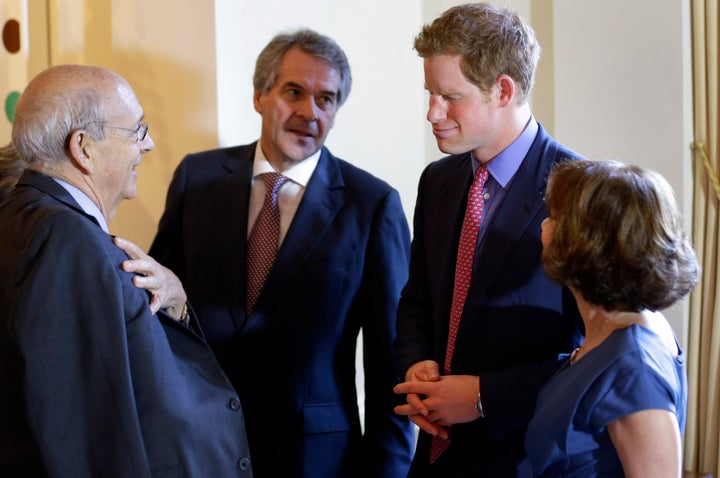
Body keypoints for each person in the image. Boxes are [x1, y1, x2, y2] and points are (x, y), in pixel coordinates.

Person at [149, 29, 414, 478]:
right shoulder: (197, 178)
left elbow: (393, 365)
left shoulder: (372, 205)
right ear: (260, 95)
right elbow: (156, 311)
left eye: (326, 99)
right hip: (199, 443)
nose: (309, 112)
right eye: (295, 92)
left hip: (316, 459)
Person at [0, 64, 254, 477]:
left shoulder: (32, 218)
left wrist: (177, 302)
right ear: (83, 148)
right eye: (136, 131)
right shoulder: (64, 241)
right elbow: (83, 431)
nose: (149, 144)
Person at [392, 3, 584, 476]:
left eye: (448, 96)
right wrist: (419, 368)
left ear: (502, 90)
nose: (432, 113)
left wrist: (481, 397)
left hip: (524, 458)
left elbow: (590, 353)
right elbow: (417, 300)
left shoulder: (581, 191)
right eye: (429, 93)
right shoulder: (437, 181)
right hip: (435, 456)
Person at [525, 159, 699, 477]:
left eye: (553, 216)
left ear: (586, 239)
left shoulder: (634, 364)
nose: (542, 225)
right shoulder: (613, 327)